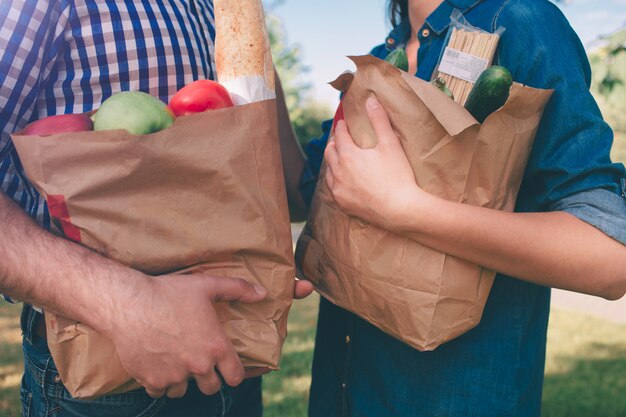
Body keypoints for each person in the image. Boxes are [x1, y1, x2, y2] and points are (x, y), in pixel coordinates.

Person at [296, 0, 626, 416]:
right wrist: (255, 79)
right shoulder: (380, 59)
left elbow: (610, 255)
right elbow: (303, 189)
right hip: (341, 394)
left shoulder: (521, 22)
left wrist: (404, 208)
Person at [0, 1, 311, 416]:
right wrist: (123, 302)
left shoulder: (218, 10)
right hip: (109, 377)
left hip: (235, 352)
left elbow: (277, 182)